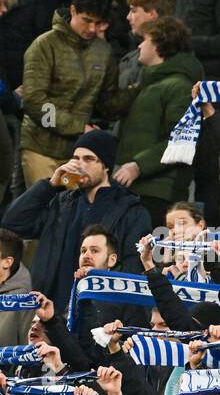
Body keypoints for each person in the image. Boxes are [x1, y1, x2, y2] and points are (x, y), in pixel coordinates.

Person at [2, 129, 151, 310]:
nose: (79, 165)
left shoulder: (131, 211)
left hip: (99, 313)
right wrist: (49, 186)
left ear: (106, 166)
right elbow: (14, 224)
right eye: (76, 158)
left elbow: (132, 267)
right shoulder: (61, 202)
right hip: (52, 309)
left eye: (88, 159)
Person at [18, 0, 130, 188]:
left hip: (78, 154)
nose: (91, 29)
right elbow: (35, 102)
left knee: (73, 213)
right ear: (72, 10)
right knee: (47, 208)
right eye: (86, 20)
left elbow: (109, 104)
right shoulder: (44, 45)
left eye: (98, 23)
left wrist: (138, 88)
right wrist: (79, 127)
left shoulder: (103, 52)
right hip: (40, 148)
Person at [112, 16, 204, 224]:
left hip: (159, 193)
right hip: (139, 189)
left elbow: (181, 143)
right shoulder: (151, 83)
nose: (140, 46)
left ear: (158, 45)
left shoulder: (179, 87)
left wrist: (138, 166)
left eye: (144, 40)